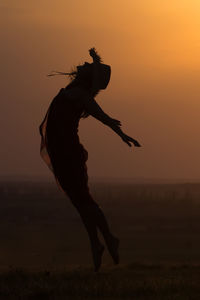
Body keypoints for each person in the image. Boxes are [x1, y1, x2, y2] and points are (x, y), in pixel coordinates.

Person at [39, 48, 141, 272]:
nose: (83, 63)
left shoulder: (81, 95)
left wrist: (123, 135)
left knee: (84, 200)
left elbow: (104, 118)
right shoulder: (75, 91)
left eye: (88, 65)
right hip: (62, 152)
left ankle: (107, 239)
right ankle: (97, 243)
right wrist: (96, 61)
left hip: (68, 153)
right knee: (80, 202)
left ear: (89, 75)